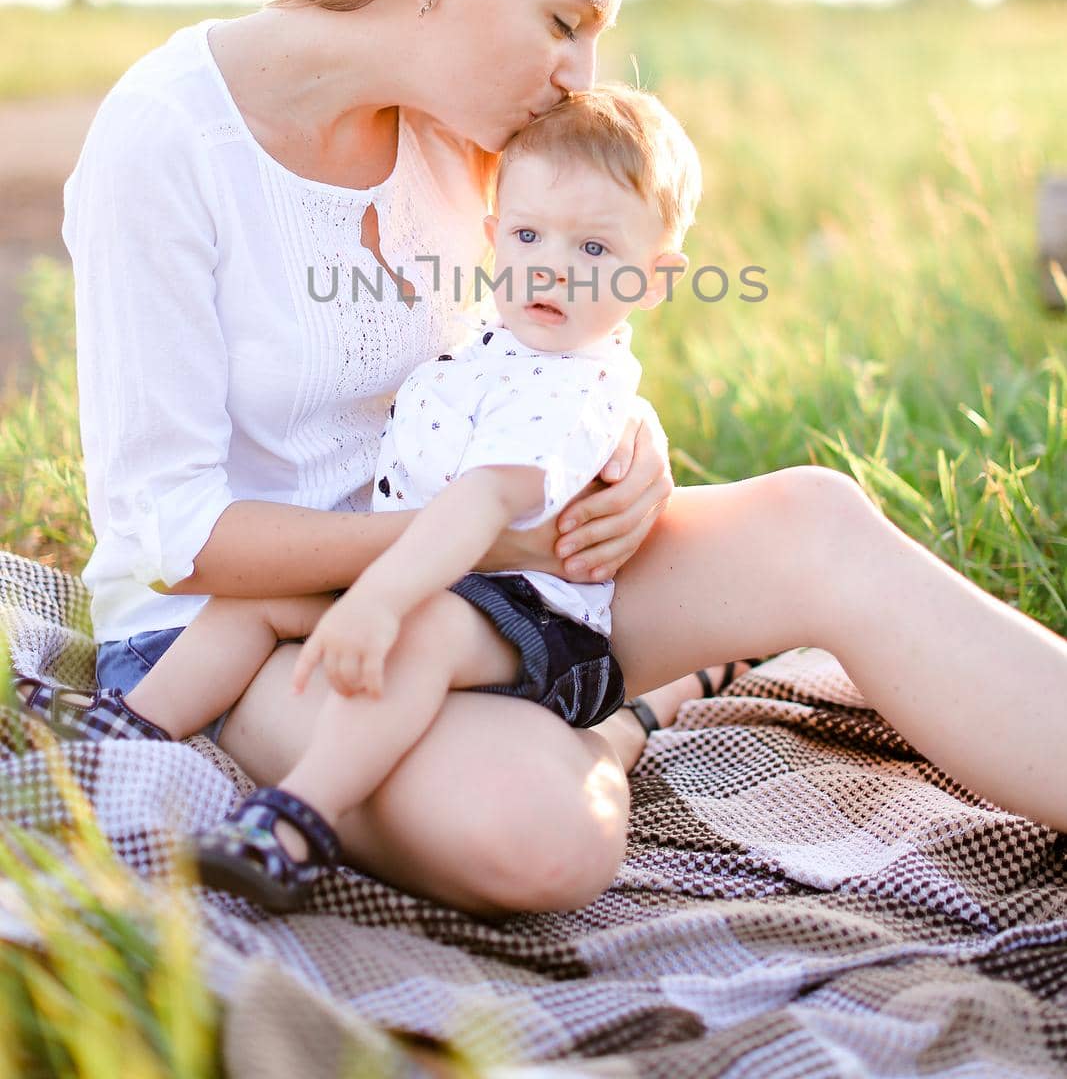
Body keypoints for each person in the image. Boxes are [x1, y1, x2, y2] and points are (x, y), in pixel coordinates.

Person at [22, 0, 1067, 919]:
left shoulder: (461, 134)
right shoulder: (168, 141)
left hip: (483, 571)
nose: (580, 70)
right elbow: (172, 536)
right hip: (232, 625)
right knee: (541, 836)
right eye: (563, 20)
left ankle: (599, 705)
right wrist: (446, 542)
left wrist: (631, 444)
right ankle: (617, 725)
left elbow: (546, 343)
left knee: (815, 522)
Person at [21, 83, 709, 911]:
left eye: (595, 251)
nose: (552, 266)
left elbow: (481, 503)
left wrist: (379, 599)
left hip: (532, 617)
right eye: (528, 234)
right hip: (441, 579)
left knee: (409, 640)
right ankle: (121, 732)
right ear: (493, 239)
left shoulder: (568, 388)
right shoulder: (502, 345)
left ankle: (296, 820)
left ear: (654, 279)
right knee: (254, 607)